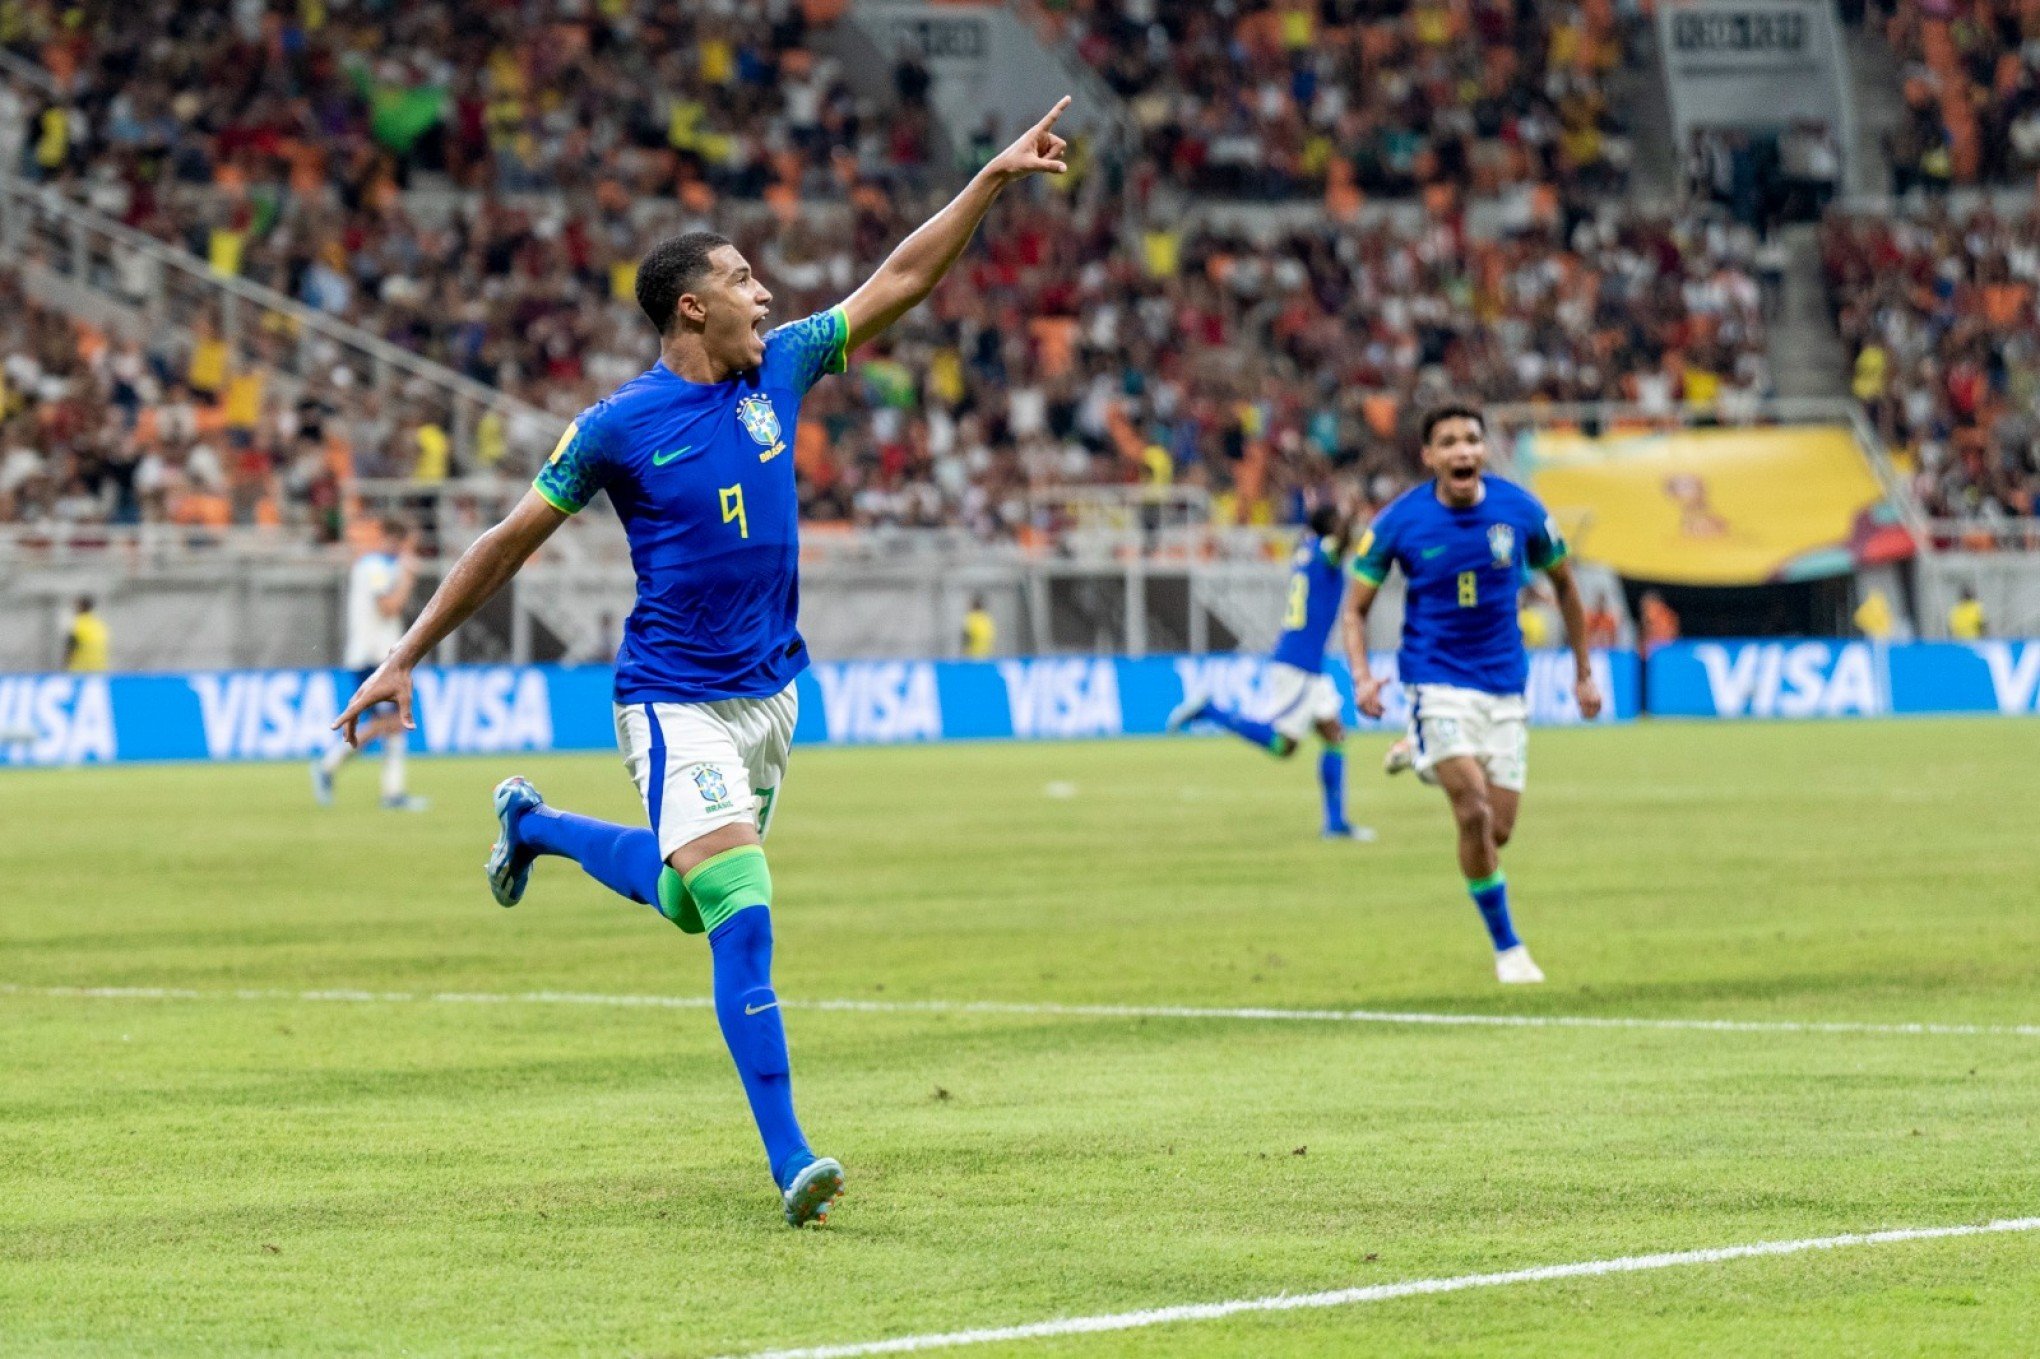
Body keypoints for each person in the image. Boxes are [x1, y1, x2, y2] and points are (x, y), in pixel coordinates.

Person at [332, 97, 1076, 1229]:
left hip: (772, 695)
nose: (765, 293)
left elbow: (899, 283)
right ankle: (793, 1160)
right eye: (742, 279)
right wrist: (405, 655)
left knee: (688, 901)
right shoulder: (617, 427)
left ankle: (531, 824)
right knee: (742, 908)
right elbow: (506, 544)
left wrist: (989, 180)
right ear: (693, 305)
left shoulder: (778, 369)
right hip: (672, 698)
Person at [1342, 404, 1601, 985]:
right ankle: (1509, 948)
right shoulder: (1397, 523)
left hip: (1505, 686)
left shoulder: (1521, 511)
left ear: (1483, 450)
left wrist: (1584, 672)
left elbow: (1565, 586)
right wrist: (1361, 677)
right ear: (1428, 456)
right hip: (1434, 680)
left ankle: (1425, 752)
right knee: (1475, 808)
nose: (1463, 452)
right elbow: (1354, 610)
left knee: (1498, 832)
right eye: (1448, 443)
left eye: (1471, 441)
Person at [1167, 502, 1374, 841]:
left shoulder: (1307, 549)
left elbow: (1332, 540)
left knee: (1334, 735)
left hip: (1307, 664)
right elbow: (1339, 542)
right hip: (1299, 665)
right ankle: (1209, 710)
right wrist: (1351, 517)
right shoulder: (1324, 552)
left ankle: (1336, 824)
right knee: (1282, 745)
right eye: (1336, 521)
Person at [314, 518, 426, 811]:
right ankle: (331, 768)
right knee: (389, 723)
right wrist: (408, 577)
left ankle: (388, 790)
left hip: (379, 657)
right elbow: (388, 607)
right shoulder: (376, 567)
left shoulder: (380, 566)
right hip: (371, 657)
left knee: (391, 725)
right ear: (396, 540)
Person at [64, 596, 108, 672]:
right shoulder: (99, 625)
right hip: (99, 668)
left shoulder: (77, 624)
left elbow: (70, 646)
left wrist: (65, 663)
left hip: (80, 669)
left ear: (81, 607)